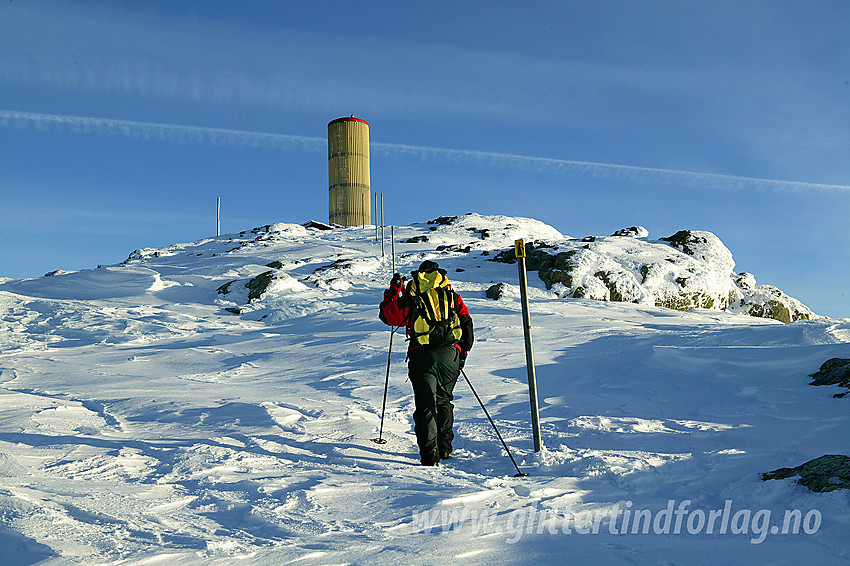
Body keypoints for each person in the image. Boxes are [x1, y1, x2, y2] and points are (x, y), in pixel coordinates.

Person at [379, 260, 474, 466]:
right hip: (451, 354)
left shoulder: (413, 297)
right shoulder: (452, 297)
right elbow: (467, 325)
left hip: (422, 355)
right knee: (443, 400)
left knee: (425, 405)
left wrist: (394, 290)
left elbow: (387, 316)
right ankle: (445, 448)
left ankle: (430, 456)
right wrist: (462, 353)